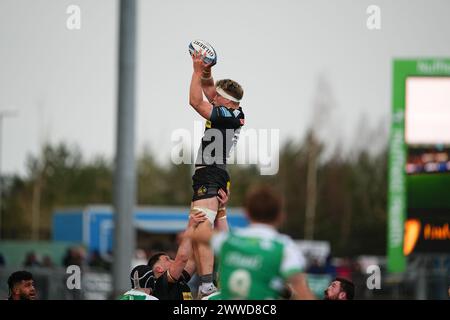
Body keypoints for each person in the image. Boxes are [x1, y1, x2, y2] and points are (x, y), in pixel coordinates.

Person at [188, 48, 245, 298]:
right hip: (217, 174)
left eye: (217, 97)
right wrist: (206, 68)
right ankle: (232, 277)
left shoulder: (227, 115)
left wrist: (196, 70)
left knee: (201, 228)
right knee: (216, 233)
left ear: (226, 101)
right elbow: (210, 88)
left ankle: (207, 285)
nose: (213, 98)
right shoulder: (230, 110)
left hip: (211, 174)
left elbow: (195, 101)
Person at [192, 185, 316, 300]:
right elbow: (302, 290)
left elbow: (199, 234)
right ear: (281, 216)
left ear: (246, 213)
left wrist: (210, 205)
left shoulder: (229, 240)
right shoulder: (284, 247)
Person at [147, 209, 210, 300]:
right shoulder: (160, 284)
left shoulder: (179, 279)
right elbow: (182, 259)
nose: (172, 260)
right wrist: (190, 226)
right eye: (167, 259)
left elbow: (193, 259)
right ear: (159, 269)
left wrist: (208, 222)